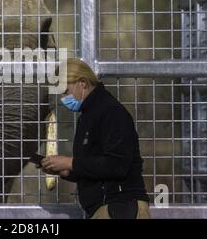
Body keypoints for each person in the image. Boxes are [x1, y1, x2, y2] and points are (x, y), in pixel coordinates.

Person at [40, 58, 151, 219]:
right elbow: (94, 166)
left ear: (83, 83)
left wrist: (70, 162)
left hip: (119, 207)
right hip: (105, 208)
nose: (63, 99)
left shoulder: (110, 112)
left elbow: (117, 165)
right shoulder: (88, 116)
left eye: (66, 91)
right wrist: (66, 170)